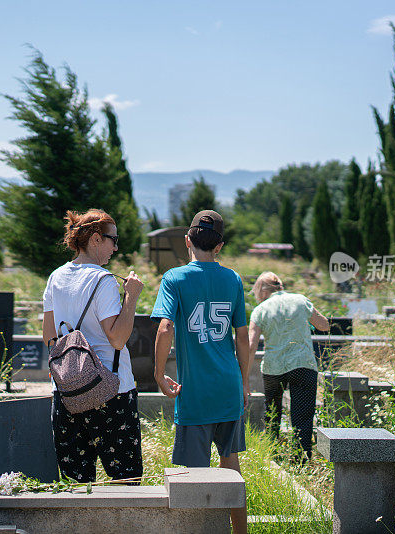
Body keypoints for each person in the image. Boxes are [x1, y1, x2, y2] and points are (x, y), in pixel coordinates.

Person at [152, 210, 250, 534]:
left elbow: (165, 326)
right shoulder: (233, 280)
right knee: (231, 467)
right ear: (219, 246)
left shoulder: (175, 278)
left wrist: (157, 372)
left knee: (195, 475)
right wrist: (245, 382)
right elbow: (243, 336)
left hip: (194, 392)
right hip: (228, 387)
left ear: (187, 241)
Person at [42, 208, 144, 482]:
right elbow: (117, 338)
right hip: (112, 390)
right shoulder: (104, 280)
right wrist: (131, 298)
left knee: (75, 483)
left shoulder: (56, 277)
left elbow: (49, 337)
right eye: (113, 239)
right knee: (126, 480)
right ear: (95, 239)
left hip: (67, 392)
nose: (116, 247)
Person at [248, 271, 329, 460]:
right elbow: (323, 325)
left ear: (261, 290)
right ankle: (300, 460)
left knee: (272, 414)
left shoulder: (260, 310)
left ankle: (272, 456)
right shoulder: (301, 301)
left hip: (273, 368)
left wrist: (244, 379)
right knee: (303, 417)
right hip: (303, 365)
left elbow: (251, 345)